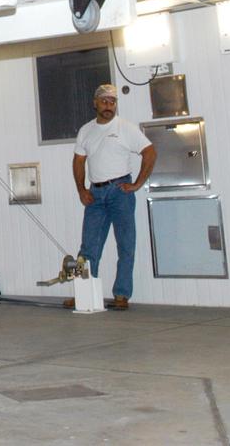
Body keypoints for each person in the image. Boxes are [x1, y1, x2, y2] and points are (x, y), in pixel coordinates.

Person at [64, 83, 156, 311]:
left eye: (112, 101)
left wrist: (137, 184)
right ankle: (83, 295)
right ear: (95, 103)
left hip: (120, 193)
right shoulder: (85, 130)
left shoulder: (126, 127)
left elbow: (150, 152)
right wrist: (81, 189)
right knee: (87, 248)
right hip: (95, 194)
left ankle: (122, 295)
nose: (108, 105)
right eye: (104, 101)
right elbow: (78, 161)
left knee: (126, 245)